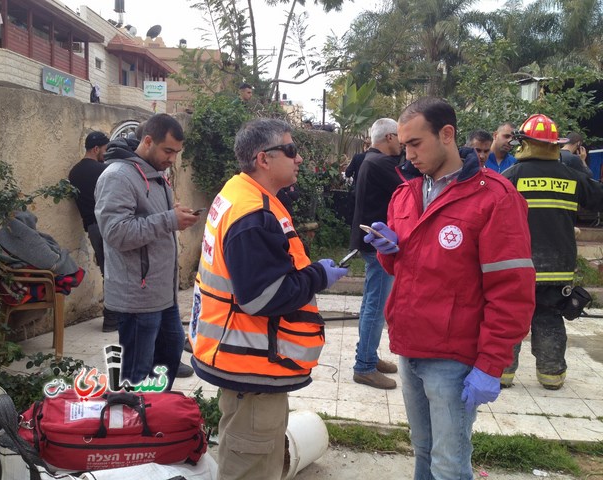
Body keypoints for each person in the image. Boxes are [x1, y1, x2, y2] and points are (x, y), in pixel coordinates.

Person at [365, 97, 536, 480]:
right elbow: (405, 267)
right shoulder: (405, 195)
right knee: (423, 451)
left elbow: (511, 290)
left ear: (446, 134)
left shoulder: (493, 198)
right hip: (410, 347)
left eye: (415, 144)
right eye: (404, 145)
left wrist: (491, 364)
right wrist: (388, 251)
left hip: (454, 358)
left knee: (449, 463)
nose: (407, 156)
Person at [189, 118, 348, 479]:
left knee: (253, 456)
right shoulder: (254, 215)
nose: (299, 159)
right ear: (264, 159)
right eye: (291, 151)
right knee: (250, 466)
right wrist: (318, 276)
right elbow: (262, 298)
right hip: (251, 362)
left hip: (242, 358)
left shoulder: (240, 193)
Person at [95, 114, 200, 390]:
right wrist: (169, 220)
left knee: (168, 357)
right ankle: (132, 425)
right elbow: (117, 233)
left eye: (176, 152)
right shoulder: (118, 176)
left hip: (163, 295)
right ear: (148, 141)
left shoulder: (155, 174)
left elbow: (156, 221)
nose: (172, 159)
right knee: (136, 375)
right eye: (168, 151)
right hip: (137, 297)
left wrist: (174, 216)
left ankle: (154, 417)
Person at [501, 114, 603, 390]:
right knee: (549, 318)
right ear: (554, 145)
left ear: (525, 143)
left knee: (509, 318)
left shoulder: (510, 177)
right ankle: (551, 377)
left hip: (518, 266)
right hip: (558, 267)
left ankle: (502, 375)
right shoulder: (572, 177)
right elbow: (598, 198)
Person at [349, 119, 402, 389]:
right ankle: (365, 366)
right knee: (375, 307)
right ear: (390, 137)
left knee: (373, 304)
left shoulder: (368, 160)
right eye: (402, 138)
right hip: (378, 245)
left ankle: (368, 355)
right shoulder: (381, 163)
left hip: (372, 242)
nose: (405, 144)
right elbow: (411, 188)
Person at [68, 131, 117, 332]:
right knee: (116, 271)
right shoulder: (103, 170)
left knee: (107, 269)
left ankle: (112, 317)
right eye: (104, 150)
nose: (105, 155)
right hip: (108, 225)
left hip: (91, 227)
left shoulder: (74, 172)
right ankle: (112, 318)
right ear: (96, 148)